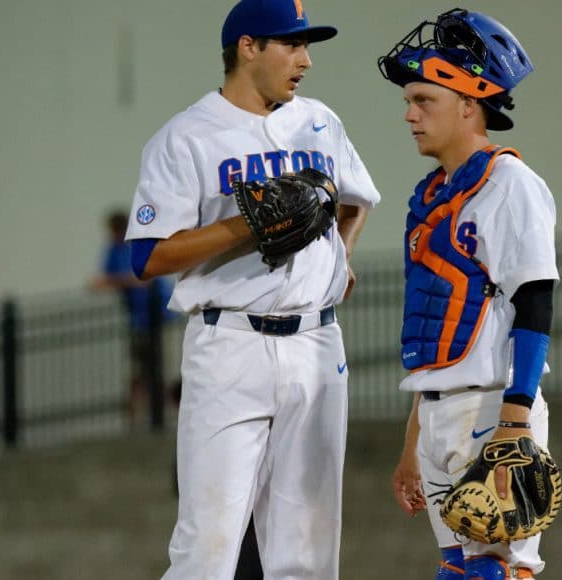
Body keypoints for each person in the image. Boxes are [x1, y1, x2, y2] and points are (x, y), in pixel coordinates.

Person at [124, 0, 380, 577]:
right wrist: (241, 226)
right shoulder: (187, 136)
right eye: (292, 45)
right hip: (230, 346)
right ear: (248, 47)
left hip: (316, 344)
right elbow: (148, 255)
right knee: (206, 553)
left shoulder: (319, 121)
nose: (306, 60)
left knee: (309, 554)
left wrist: (340, 257)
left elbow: (356, 199)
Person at [380, 9, 558, 579]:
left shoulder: (509, 183)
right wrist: (413, 441)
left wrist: (516, 419)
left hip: (490, 407)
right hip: (438, 412)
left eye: (423, 100)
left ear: (468, 103)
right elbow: (435, 331)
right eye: (408, 101)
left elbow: (535, 299)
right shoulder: (430, 196)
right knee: (457, 571)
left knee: (499, 571)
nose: (409, 114)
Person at [90, 209, 174, 428]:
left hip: (153, 317)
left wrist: (118, 281)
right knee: (146, 367)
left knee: (149, 368)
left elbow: (142, 278)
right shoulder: (114, 251)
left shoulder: (134, 244)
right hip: (138, 320)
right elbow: (104, 280)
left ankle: (151, 412)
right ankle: (148, 411)